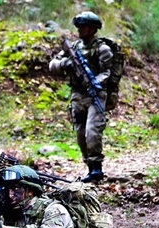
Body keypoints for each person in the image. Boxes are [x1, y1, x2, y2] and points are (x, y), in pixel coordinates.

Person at [49, 11, 113, 182]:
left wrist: (94, 82)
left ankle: (96, 169)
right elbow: (52, 65)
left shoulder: (103, 49)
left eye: (83, 27)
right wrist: (66, 63)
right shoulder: (74, 48)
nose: (79, 30)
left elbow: (107, 72)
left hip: (96, 94)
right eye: (78, 27)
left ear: (92, 29)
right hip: (78, 95)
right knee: (80, 133)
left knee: (92, 131)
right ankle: (89, 167)